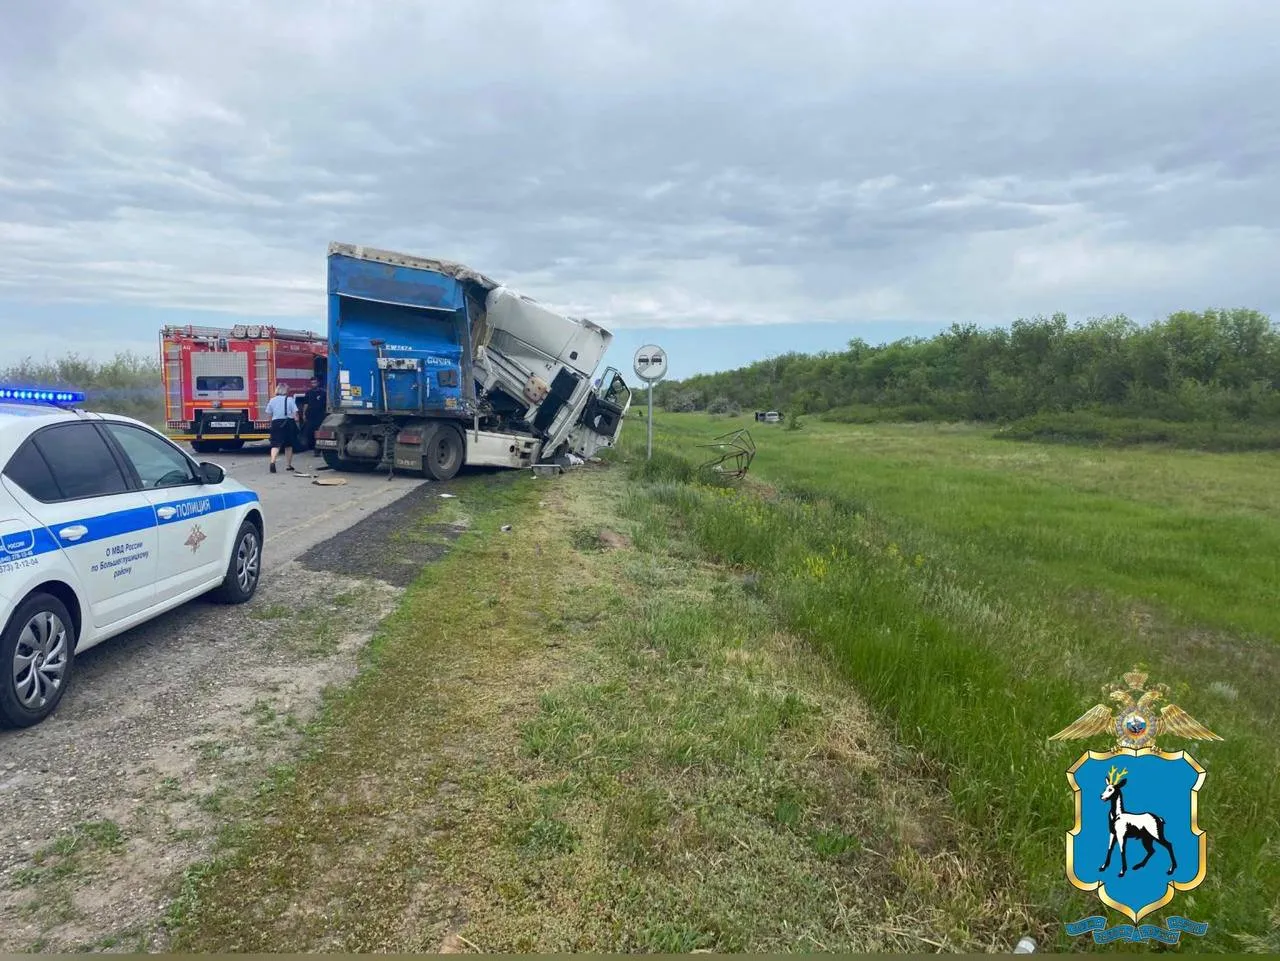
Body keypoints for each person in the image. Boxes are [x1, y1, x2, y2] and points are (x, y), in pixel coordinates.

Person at [265, 383, 298, 473]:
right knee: (288, 445)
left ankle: (272, 462)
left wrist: (270, 423)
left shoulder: (272, 400)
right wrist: (297, 421)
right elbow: (295, 414)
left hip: (276, 423)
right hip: (288, 423)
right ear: (286, 391)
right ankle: (288, 465)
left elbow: (268, 413)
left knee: (275, 444)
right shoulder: (290, 399)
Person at [299, 376, 327, 456]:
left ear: (318, 383)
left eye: (315, 382)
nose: (313, 384)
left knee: (319, 433)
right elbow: (306, 404)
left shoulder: (323, 392)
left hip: (320, 415)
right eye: (312, 383)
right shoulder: (309, 393)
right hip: (310, 415)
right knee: (310, 433)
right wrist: (304, 414)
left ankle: (317, 450)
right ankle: (312, 447)